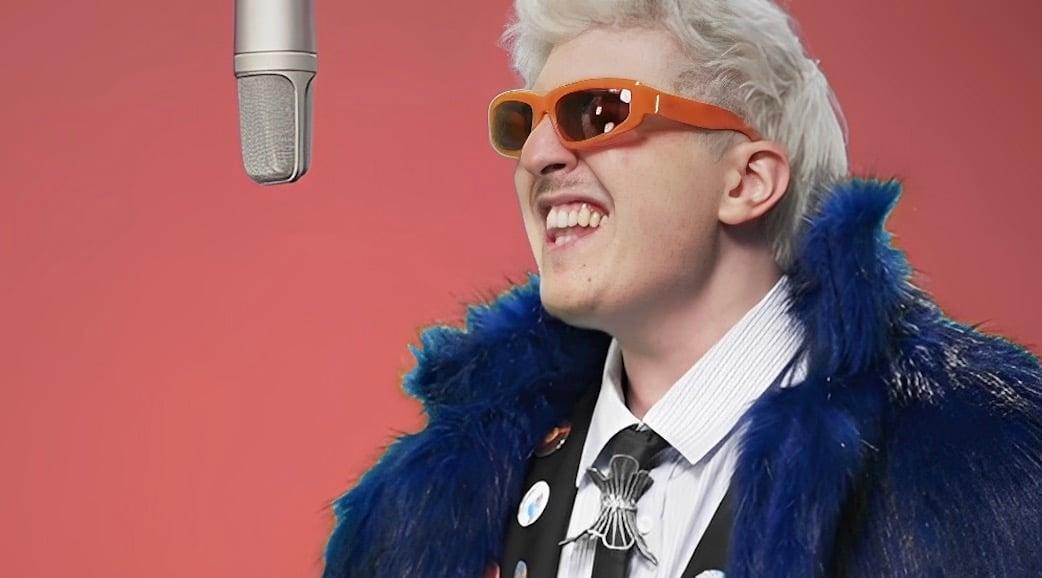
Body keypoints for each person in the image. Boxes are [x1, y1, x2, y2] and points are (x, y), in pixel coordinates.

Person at [322, 1, 1042, 577]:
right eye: (523, 123)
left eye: (597, 113)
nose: (537, 155)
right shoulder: (427, 505)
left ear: (746, 182)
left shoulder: (984, 470)